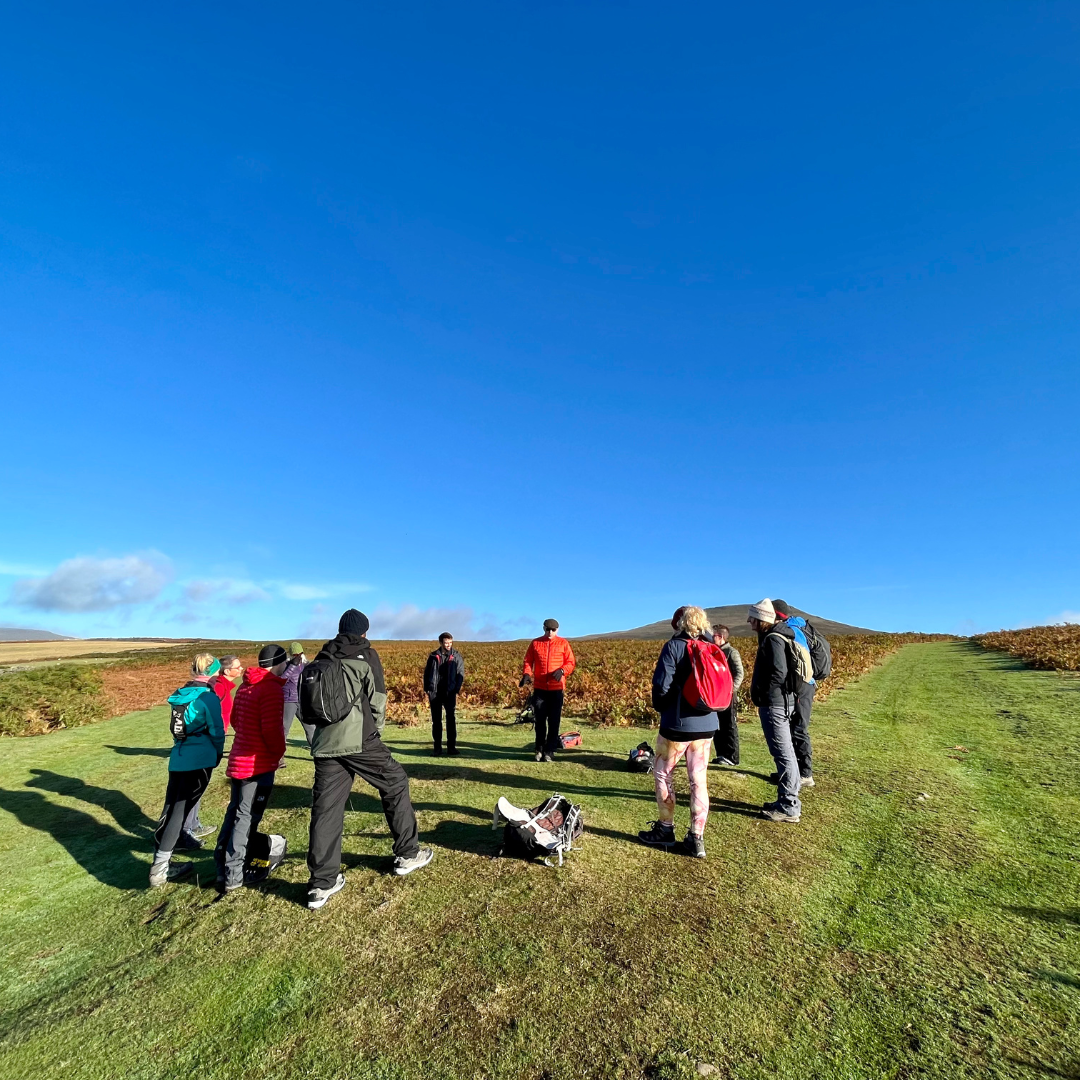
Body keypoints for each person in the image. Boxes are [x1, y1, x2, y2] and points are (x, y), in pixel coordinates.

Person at [306, 609, 434, 911]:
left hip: (325, 742)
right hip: (360, 739)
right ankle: (407, 853)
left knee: (326, 809)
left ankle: (321, 884)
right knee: (396, 782)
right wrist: (374, 733)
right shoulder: (365, 654)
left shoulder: (322, 657)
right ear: (364, 631)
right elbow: (377, 698)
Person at [638, 606, 719, 858]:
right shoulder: (711, 648)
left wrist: (663, 707)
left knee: (663, 774)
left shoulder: (674, 647)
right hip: (707, 724)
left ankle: (665, 829)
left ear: (678, 624)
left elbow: (661, 685)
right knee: (698, 779)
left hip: (677, 724)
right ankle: (697, 839)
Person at [214, 644, 289, 893]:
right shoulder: (270, 689)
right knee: (246, 818)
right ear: (279, 662)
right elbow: (271, 730)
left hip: (239, 760)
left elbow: (236, 720)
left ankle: (221, 866)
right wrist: (278, 753)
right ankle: (234, 872)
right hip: (257, 764)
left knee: (235, 813)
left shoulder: (246, 685)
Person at [149, 653, 226, 887]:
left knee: (171, 810)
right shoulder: (207, 698)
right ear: (213, 671)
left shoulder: (180, 696)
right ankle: (160, 870)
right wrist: (217, 754)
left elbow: (177, 729)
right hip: (199, 759)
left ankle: (162, 862)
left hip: (179, 757)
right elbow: (217, 731)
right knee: (179, 814)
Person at [747, 598, 802, 823]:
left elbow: (778, 673)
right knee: (786, 751)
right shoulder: (781, 636)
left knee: (783, 753)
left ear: (762, 619)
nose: (749, 621)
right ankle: (787, 800)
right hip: (784, 702)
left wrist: (764, 694)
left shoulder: (772, 641)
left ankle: (789, 805)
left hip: (775, 704)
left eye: (753, 617)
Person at [180, 652, 243, 842]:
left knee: (195, 787)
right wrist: (215, 745)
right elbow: (210, 717)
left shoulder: (214, 686)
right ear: (224, 670)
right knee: (193, 788)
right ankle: (185, 831)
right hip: (205, 742)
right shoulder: (217, 688)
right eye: (238, 666)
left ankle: (192, 825)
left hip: (197, 742)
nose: (242, 669)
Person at [772, 600, 815, 787]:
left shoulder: (790, 630)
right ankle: (795, 772)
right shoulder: (797, 626)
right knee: (793, 728)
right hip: (803, 684)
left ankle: (805, 774)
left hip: (801, 685)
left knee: (799, 728)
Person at [521, 619, 576, 762]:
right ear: (543, 628)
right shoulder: (535, 643)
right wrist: (527, 674)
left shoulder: (563, 643)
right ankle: (539, 748)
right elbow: (528, 661)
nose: (550, 633)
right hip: (539, 689)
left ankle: (550, 750)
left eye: (553, 630)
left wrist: (563, 670)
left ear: (557, 630)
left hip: (556, 689)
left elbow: (570, 662)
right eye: (548, 630)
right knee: (539, 721)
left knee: (554, 721)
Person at [423, 632, 464, 756]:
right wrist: (427, 689)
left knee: (450, 719)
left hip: (449, 692)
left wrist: (456, 689)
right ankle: (437, 749)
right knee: (436, 721)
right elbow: (426, 673)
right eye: (446, 643)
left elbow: (460, 674)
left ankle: (451, 747)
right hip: (435, 693)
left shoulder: (456, 656)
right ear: (441, 643)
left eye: (450, 642)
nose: (448, 645)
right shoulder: (433, 656)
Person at [710, 624, 745, 766]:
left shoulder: (731, 652)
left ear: (720, 637)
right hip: (715, 696)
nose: (711, 638)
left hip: (728, 696)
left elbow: (739, 673)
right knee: (717, 725)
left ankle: (732, 757)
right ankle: (721, 755)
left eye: (713, 635)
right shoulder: (712, 652)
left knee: (729, 725)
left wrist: (731, 690)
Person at [282, 642, 311, 747]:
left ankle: (316, 750)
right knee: (285, 727)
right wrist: (292, 666)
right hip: (289, 700)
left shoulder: (306, 665)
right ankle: (279, 754)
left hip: (302, 700)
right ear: (291, 655)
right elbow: (282, 680)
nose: (298, 656)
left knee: (310, 726)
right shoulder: (285, 665)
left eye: (300, 653)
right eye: (295, 654)